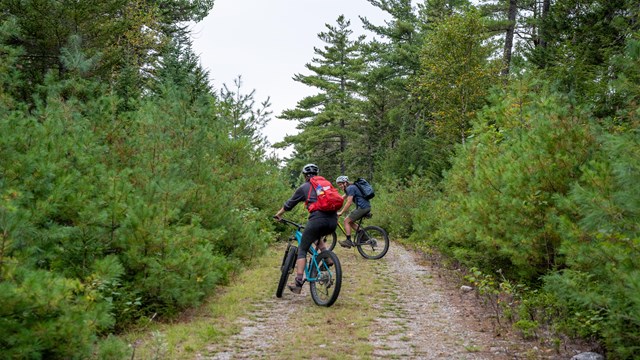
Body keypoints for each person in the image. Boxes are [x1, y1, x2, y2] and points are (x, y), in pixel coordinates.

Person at [274, 163, 338, 294]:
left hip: (317, 219)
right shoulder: (324, 186)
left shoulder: (304, 187)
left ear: (305, 176)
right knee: (316, 236)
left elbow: (289, 204)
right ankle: (327, 258)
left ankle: (298, 283)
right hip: (333, 220)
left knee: (302, 248)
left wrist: (279, 214)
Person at [335, 175, 371, 248]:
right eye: (339, 185)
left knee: (346, 221)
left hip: (362, 208)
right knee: (350, 222)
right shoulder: (351, 187)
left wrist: (341, 212)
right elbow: (341, 198)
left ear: (345, 183)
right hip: (365, 207)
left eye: (341, 184)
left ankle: (348, 241)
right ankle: (364, 236)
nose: (340, 186)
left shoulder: (350, 188)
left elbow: (349, 202)